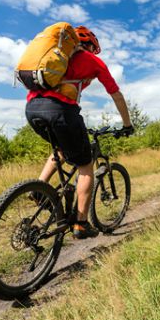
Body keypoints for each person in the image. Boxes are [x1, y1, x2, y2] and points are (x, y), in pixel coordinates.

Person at [25, 25, 133, 239]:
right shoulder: (92, 61)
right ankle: (81, 224)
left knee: (62, 150)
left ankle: (39, 188)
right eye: (94, 49)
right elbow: (116, 94)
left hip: (32, 109)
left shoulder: (54, 56)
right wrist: (127, 124)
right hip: (61, 111)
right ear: (90, 45)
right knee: (85, 164)